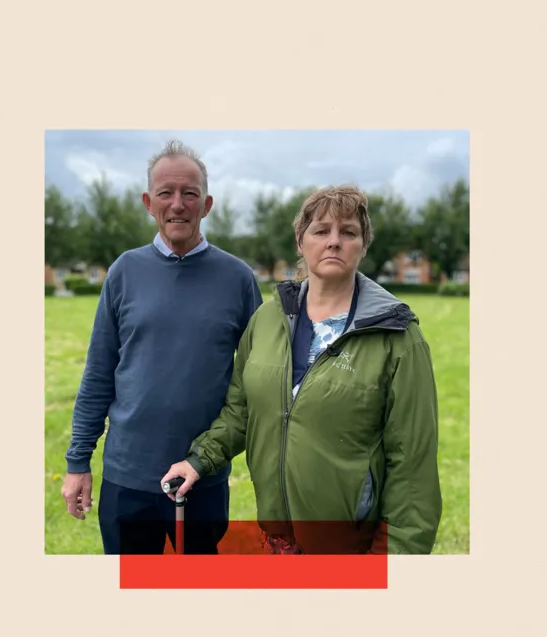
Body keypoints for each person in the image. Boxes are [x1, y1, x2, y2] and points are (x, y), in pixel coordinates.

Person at [161, 184, 442, 555]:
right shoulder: (268, 318)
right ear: (300, 240)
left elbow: (413, 472)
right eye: (321, 230)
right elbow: (241, 410)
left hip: (350, 549)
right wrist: (200, 459)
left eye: (349, 232)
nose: (334, 242)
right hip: (280, 543)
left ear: (363, 244)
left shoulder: (397, 335)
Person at [60, 140, 263, 555]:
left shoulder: (238, 279)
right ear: (148, 202)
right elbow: (99, 372)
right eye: (166, 193)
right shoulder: (123, 272)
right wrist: (78, 462)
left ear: (206, 204)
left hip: (200, 477)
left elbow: (258, 378)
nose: (178, 204)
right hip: (127, 477)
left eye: (189, 194)